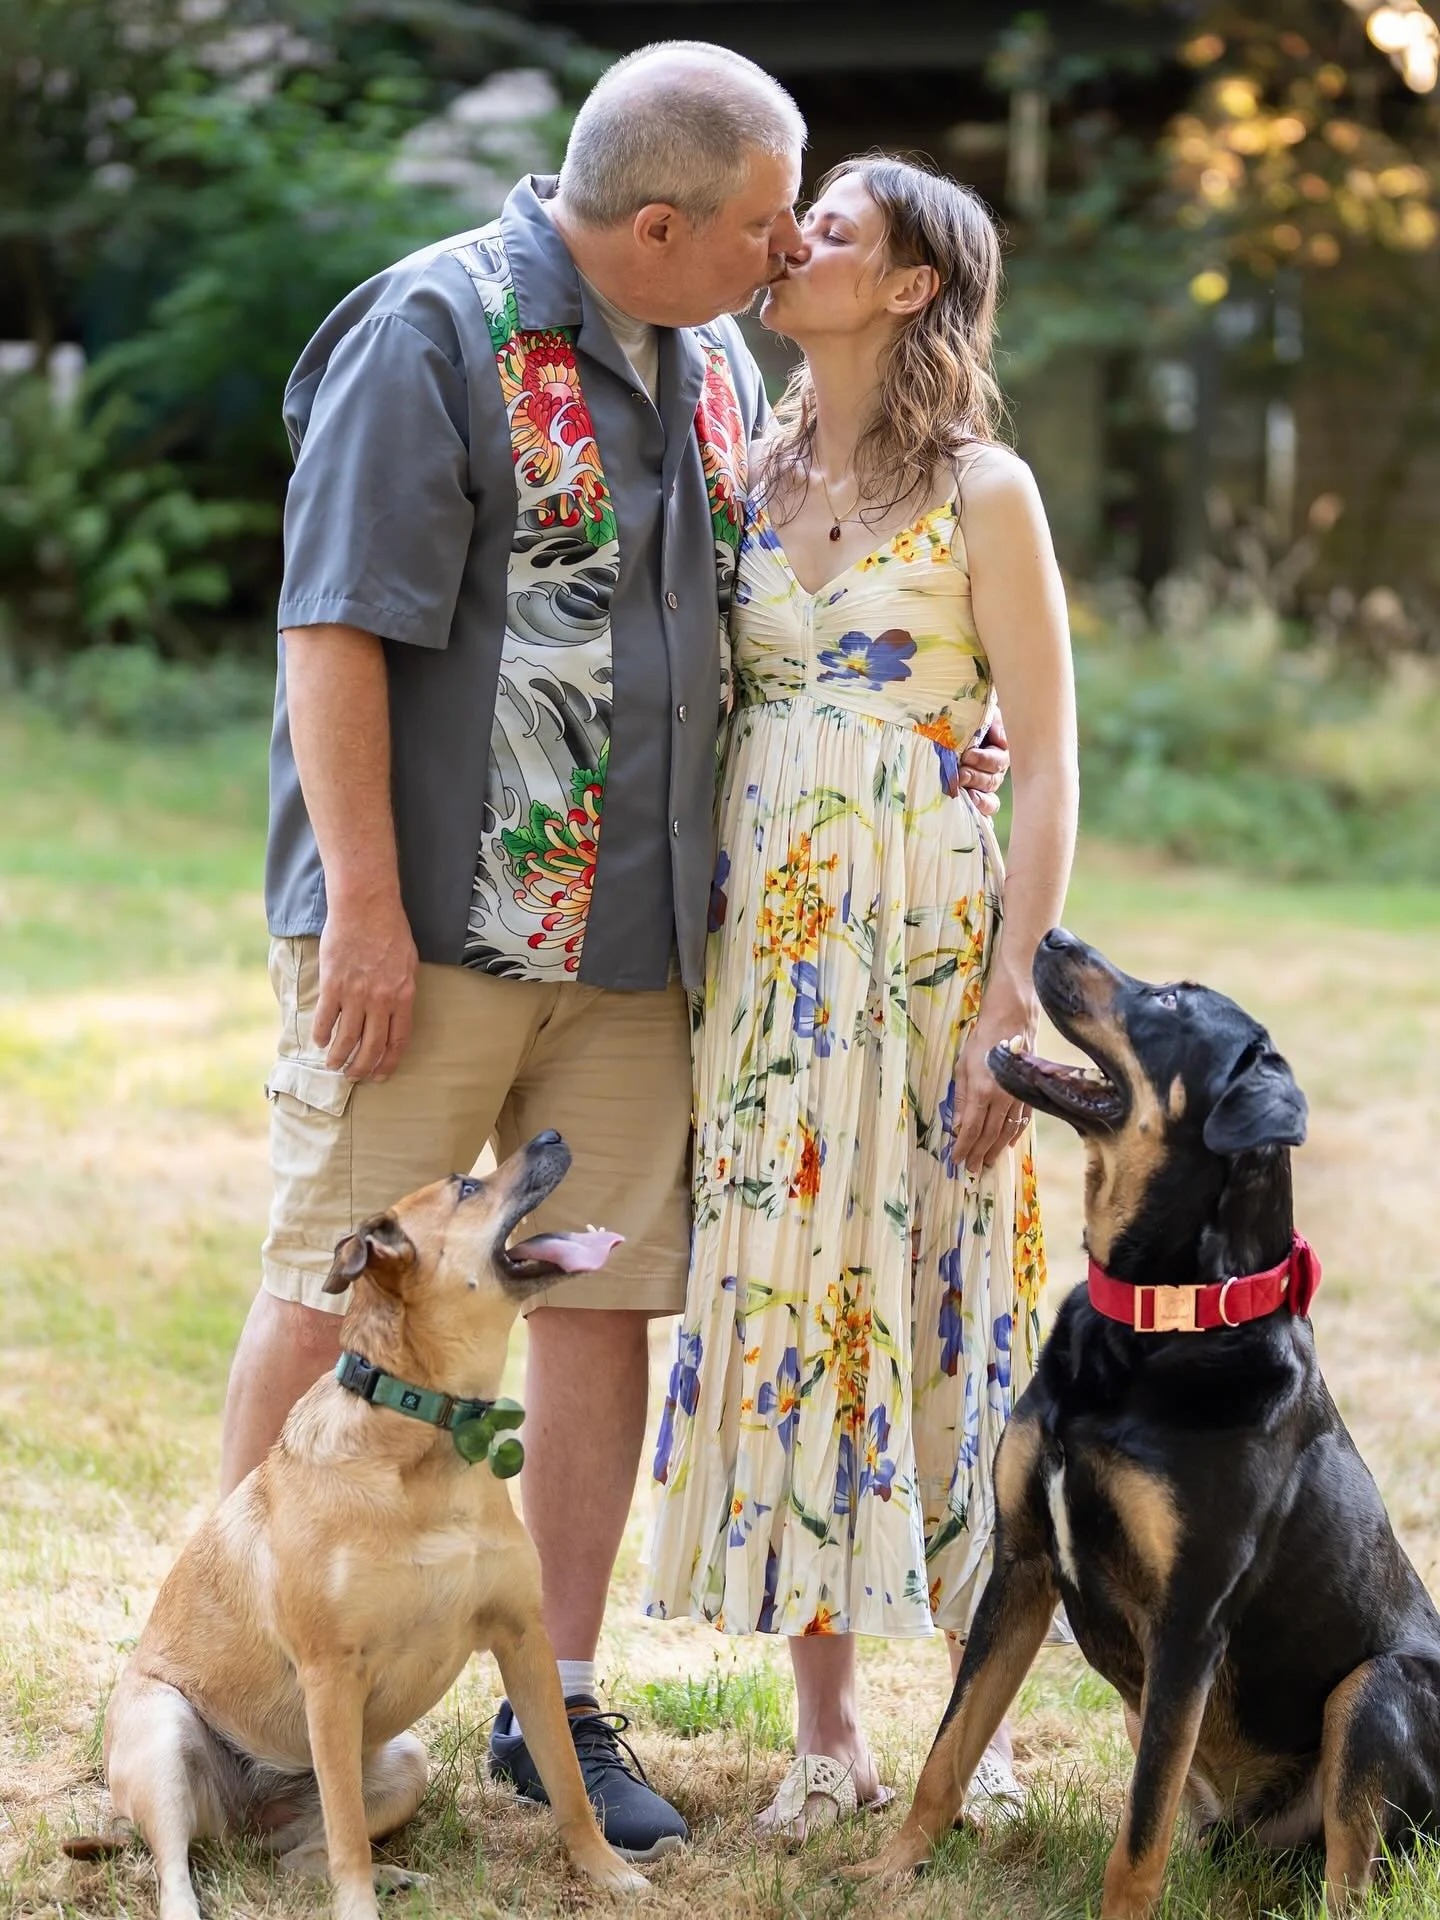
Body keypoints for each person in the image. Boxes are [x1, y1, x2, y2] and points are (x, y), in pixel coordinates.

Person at [217, 42, 1013, 1861]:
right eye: (757, 220)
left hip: (649, 942)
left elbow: (786, 618)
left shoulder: (718, 356)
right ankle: (241, 1694)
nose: (782, 245)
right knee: (325, 1269)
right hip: (427, 934)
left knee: (598, 1300)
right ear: (658, 222)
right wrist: (363, 910)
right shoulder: (436, 335)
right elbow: (331, 630)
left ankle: (550, 1695)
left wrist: (923, 733)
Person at [643, 155, 1078, 1839]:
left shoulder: (988, 491)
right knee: (789, 1299)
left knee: (942, 1294)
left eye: (833, 228)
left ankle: (978, 1724)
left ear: (906, 288)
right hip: (767, 957)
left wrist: (1011, 1007)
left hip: (926, 948)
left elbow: (1042, 769)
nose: (791, 239)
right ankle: (822, 1733)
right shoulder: (735, 463)